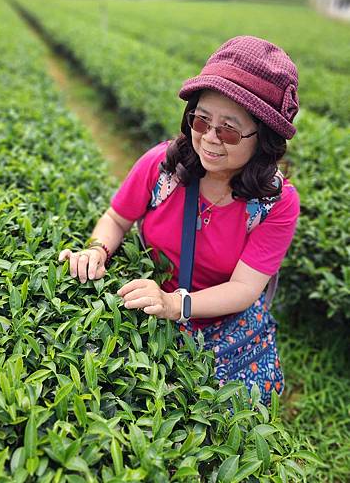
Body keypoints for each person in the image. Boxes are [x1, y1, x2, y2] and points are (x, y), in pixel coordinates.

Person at [59, 36, 300, 405]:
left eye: (229, 130)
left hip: (216, 318)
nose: (209, 139)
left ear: (263, 138)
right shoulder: (162, 165)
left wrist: (177, 305)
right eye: (201, 121)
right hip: (148, 300)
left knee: (225, 411)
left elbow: (244, 289)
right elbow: (116, 219)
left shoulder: (276, 203)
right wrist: (97, 250)